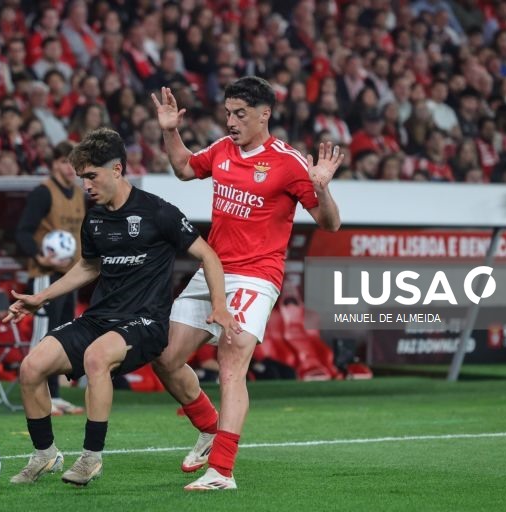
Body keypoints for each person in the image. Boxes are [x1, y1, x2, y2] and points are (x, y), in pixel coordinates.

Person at [4, 128, 240, 487]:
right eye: (82, 178)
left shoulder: (158, 212)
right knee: (31, 367)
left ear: (116, 169)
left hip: (145, 322)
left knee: (96, 357)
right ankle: (44, 454)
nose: (86, 186)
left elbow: (208, 255)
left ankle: (91, 458)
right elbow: (88, 266)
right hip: (100, 318)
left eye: (91, 176)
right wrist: (41, 297)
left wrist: (219, 305)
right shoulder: (95, 219)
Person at [151, 77, 342, 490]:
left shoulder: (288, 162)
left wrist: (322, 190)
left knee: (231, 366)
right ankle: (208, 427)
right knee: (164, 358)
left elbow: (330, 223)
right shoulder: (222, 149)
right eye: (228, 113)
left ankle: (221, 471)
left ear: (264, 115)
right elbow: (184, 169)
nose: (231, 122)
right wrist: (170, 131)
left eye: (240, 114)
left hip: (257, 276)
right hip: (213, 271)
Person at [15, 140, 86, 416]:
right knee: (43, 336)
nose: (70, 168)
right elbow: (23, 232)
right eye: (64, 162)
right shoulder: (43, 193)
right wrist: (39, 256)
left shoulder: (79, 193)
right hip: (45, 276)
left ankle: (54, 394)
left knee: (61, 336)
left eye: (74, 163)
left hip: (69, 277)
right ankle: (38, 396)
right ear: (54, 164)